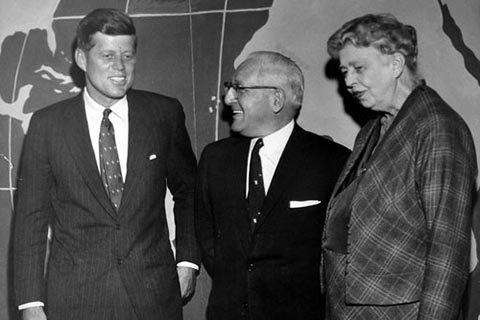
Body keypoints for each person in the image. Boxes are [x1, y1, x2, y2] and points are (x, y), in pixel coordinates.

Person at [13, 8, 199, 320]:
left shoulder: (163, 115)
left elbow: (189, 192)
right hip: (75, 300)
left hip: (155, 296)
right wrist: (31, 303)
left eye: (128, 55)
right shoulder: (47, 125)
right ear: (82, 59)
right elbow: (31, 220)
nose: (120, 67)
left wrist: (188, 262)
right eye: (108, 56)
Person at [322, 13, 478, 319]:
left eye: (359, 68)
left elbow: (447, 249)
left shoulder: (438, 126)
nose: (349, 81)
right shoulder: (372, 128)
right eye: (344, 71)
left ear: (395, 64)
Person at [195, 51, 350, 320]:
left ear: (276, 99)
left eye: (239, 88)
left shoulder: (332, 162)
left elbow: (339, 251)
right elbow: (208, 237)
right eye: (229, 88)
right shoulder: (214, 159)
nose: (228, 98)